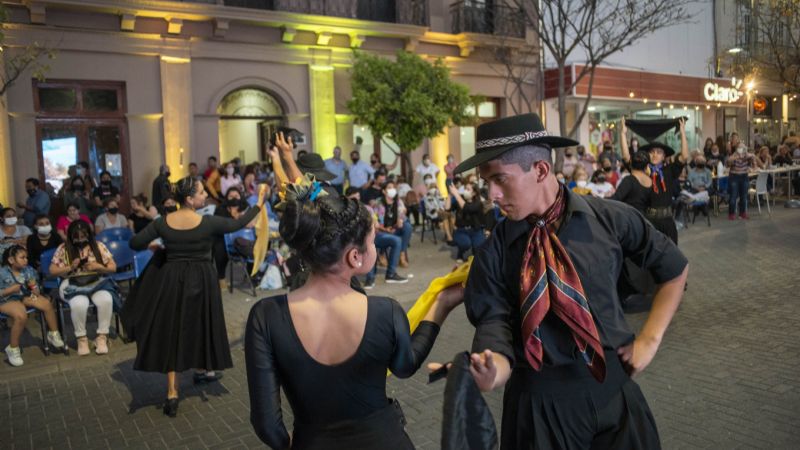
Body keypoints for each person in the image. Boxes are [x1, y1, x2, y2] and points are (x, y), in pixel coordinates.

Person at [452, 112, 688, 450]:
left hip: (615, 397)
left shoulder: (609, 219)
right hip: (538, 409)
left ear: (541, 170)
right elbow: (494, 323)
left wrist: (649, 339)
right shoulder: (494, 252)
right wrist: (495, 369)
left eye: (500, 179)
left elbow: (675, 268)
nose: (492, 194)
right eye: (485, 181)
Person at [244, 181, 464, 449]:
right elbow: (405, 366)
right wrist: (441, 304)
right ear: (354, 257)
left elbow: (266, 422)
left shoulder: (265, 316)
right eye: (372, 242)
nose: (374, 248)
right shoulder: (385, 310)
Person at [125, 176, 263, 417]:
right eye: (201, 193)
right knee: (199, 326)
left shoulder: (164, 222)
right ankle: (201, 370)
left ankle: (172, 393)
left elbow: (135, 242)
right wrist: (259, 202)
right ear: (189, 199)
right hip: (202, 281)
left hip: (171, 280)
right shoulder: (207, 222)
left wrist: (155, 246)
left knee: (173, 331)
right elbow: (238, 224)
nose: (204, 196)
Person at [49, 220, 118, 356]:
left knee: (106, 299)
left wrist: (99, 267)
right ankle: (82, 338)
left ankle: (102, 336)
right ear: (71, 236)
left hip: (95, 282)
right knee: (79, 303)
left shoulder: (98, 246)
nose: (80, 240)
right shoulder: (64, 248)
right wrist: (70, 267)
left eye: (83, 236)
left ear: (89, 234)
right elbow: (52, 271)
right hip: (72, 283)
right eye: (77, 237)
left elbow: (113, 268)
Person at [621, 116, 689, 244]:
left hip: (668, 221)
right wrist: (623, 134)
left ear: (664, 156)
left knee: (671, 258)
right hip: (649, 221)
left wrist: (683, 132)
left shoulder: (669, 170)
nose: (655, 154)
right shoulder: (641, 171)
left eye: (659, 152)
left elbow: (684, 156)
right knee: (651, 258)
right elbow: (626, 157)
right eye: (652, 152)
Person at [1, 245, 65, 366]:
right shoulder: (2, 272)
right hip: (5, 299)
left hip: (24, 296)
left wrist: (36, 289)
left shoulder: (29, 270)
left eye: (27, 257)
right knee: (21, 316)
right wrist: (8, 291)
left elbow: (35, 285)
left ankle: (53, 334)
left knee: (46, 304)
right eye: (22, 257)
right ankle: (13, 348)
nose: (26, 260)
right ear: (11, 260)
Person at [447, 181, 485, 263]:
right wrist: (450, 195)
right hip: (461, 230)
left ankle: (475, 253)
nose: (465, 191)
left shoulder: (478, 203)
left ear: (474, 193)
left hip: (476, 230)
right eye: (465, 188)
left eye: (468, 189)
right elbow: (447, 208)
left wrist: (456, 195)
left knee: (479, 246)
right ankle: (460, 253)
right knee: (465, 244)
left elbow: (468, 208)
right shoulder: (459, 200)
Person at [378, 181, 413, 268]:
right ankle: (381, 255)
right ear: (384, 191)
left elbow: (402, 213)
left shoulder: (398, 201)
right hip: (383, 229)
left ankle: (402, 254)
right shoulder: (378, 203)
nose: (392, 190)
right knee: (383, 234)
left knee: (407, 226)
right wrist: (385, 229)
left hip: (395, 228)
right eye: (389, 188)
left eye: (393, 187)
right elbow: (377, 221)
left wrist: (400, 221)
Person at [726, 144, 756, 220]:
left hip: (744, 177)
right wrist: (732, 159)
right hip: (734, 177)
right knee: (733, 196)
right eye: (739, 147)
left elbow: (754, 161)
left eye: (742, 148)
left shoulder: (747, 155)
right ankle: (731, 213)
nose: (741, 149)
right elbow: (727, 164)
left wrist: (752, 163)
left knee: (744, 196)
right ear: (736, 149)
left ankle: (742, 213)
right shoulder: (734, 155)